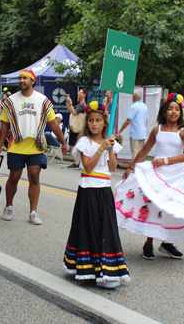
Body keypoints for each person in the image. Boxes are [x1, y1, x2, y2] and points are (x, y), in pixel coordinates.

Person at [114, 93, 184, 260]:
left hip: (175, 175)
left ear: (180, 113)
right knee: (155, 205)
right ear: (163, 112)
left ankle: (167, 243)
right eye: (170, 109)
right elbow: (144, 151)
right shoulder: (157, 130)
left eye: (177, 109)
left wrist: (166, 160)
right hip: (158, 173)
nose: (173, 112)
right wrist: (131, 167)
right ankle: (148, 243)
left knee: (172, 208)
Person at [63, 101, 129, 289]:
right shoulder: (84, 142)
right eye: (91, 120)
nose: (94, 124)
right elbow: (88, 167)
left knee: (106, 229)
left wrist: (110, 148)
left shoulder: (110, 142)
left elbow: (112, 168)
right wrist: (101, 149)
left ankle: (107, 270)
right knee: (89, 227)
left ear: (104, 123)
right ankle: (88, 268)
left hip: (105, 189)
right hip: (88, 189)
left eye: (98, 120)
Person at [0, 69, 68, 225]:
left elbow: (53, 123)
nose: (21, 80)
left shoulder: (43, 100)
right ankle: (8, 206)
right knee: (14, 178)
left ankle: (33, 212)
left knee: (34, 177)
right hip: (16, 146)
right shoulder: (10, 101)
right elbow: (5, 126)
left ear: (32, 81)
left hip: (36, 147)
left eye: (25, 78)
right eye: (20, 78)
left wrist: (63, 142)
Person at [116, 90, 148, 161]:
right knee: (139, 153)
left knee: (135, 154)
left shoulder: (134, 107)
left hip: (135, 133)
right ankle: (138, 168)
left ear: (134, 97)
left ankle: (134, 169)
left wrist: (119, 132)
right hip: (142, 133)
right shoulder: (144, 106)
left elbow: (128, 121)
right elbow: (146, 120)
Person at [66, 89, 87, 168]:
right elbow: (70, 109)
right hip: (74, 127)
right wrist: (68, 102)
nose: (78, 93)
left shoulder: (82, 105)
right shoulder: (79, 104)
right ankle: (77, 161)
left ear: (84, 94)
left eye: (80, 92)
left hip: (77, 127)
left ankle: (77, 162)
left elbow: (74, 112)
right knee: (72, 143)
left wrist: (70, 103)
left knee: (73, 144)